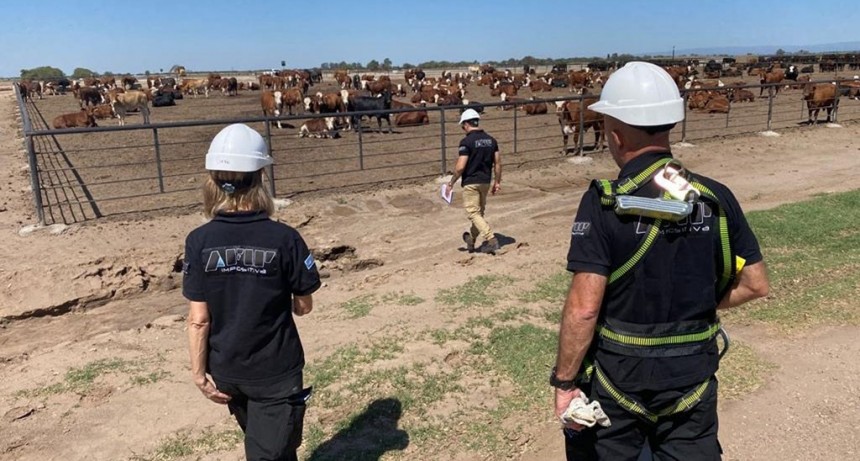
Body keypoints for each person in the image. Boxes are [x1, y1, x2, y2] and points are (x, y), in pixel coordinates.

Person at [550, 62, 770, 460]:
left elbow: (584, 309)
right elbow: (756, 284)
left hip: (621, 380)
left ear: (615, 134)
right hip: (692, 379)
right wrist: (698, 303)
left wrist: (564, 382)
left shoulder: (603, 202)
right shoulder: (715, 197)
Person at [183, 123, 321, 461]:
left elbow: (199, 320)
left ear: (212, 180)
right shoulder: (285, 238)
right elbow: (304, 305)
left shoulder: (198, 242)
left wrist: (199, 375)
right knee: (268, 451)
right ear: (261, 179)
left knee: (271, 445)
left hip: (227, 369)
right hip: (275, 369)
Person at [444, 108, 502, 254]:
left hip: (471, 182)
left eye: (462, 125)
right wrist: (497, 182)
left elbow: (460, 167)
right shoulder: (491, 140)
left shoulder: (466, 142)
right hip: (486, 181)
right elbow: (498, 163)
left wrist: (451, 183)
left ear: (466, 124)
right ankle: (471, 239)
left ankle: (491, 239)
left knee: (472, 213)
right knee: (479, 213)